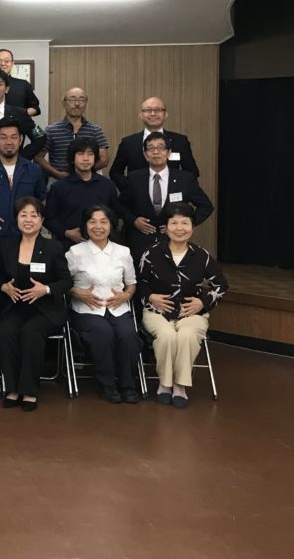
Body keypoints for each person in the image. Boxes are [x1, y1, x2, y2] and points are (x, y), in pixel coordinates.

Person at [138, 202, 228, 408]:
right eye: (174, 223)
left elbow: (221, 285)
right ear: (166, 227)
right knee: (167, 336)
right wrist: (151, 297)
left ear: (192, 227)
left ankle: (180, 385)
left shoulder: (202, 256)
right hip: (157, 312)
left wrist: (203, 302)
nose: (179, 228)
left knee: (187, 335)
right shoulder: (151, 253)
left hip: (192, 313)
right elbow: (140, 282)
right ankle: (165, 383)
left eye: (185, 223)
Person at [0, 197, 73, 410]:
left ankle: (29, 391)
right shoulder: (7, 246)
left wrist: (45, 289)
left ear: (42, 220)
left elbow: (66, 281)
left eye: (33, 215)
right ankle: (12, 389)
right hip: (15, 307)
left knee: (31, 332)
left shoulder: (53, 247)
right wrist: (4, 286)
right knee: (6, 333)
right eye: (23, 215)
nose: (28, 220)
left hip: (45, 310)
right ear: (16, 219)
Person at [66, 205, 140, 404]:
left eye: (103, 221)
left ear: (111, 225)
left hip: (118, 308)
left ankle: (127, 385)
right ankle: (106, 384)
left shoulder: (123, 252)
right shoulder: (75, 252)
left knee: (128, 335)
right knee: (103, 332)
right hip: (86, 309)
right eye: (92, 221)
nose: (98, 226)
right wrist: (75, 292)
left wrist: (126, 295)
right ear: (85, 225)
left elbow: (132, 283)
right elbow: (63, 282)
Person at [118, 132, 213, 263]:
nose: (156, 152)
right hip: (140, 241)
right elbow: (119, 206)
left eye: (161, 148)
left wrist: (183, 224)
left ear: (168, 153)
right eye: (151, 148)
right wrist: (133, 220)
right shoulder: (134, 178)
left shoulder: (185, 179)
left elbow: (206, 206)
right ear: (145, 155)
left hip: (172, 241)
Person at [109, 96, 200, 192]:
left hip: (171, 197)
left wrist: (177, 189)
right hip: (136, 198)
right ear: (141, 114)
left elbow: (192, 172)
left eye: (158, 110)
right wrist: (130, 190)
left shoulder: (180, 141)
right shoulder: (128, 142)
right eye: (148, 110)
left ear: (165, 114)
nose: (153, 114)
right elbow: (115, 172)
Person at [45, 139, 121, 249]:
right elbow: (48, 219)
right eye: (80, 154)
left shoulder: (107, 185)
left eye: (90, 154)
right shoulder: (59, 187)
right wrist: (67, 233)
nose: (86, 158)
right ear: (72, 159)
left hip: (101, 246)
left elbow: (115, 215)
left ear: (95, 158)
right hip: (68, 247)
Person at [36, 87, 110, 180]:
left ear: (86, 103)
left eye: (81, 100)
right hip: (59, 179)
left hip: (88, 179)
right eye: (72, 100)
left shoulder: (95, 130)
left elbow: (104, 159)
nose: (77, 104)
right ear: (64, 103)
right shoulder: (51, 130)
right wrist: (57, 174)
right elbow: (38, 157)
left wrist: (84, 171)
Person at [0, 48, 40, 116]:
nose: (2, 63)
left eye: (7, 61)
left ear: (12, 63)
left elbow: (35, 108)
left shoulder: (23, 84)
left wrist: (22, 113)